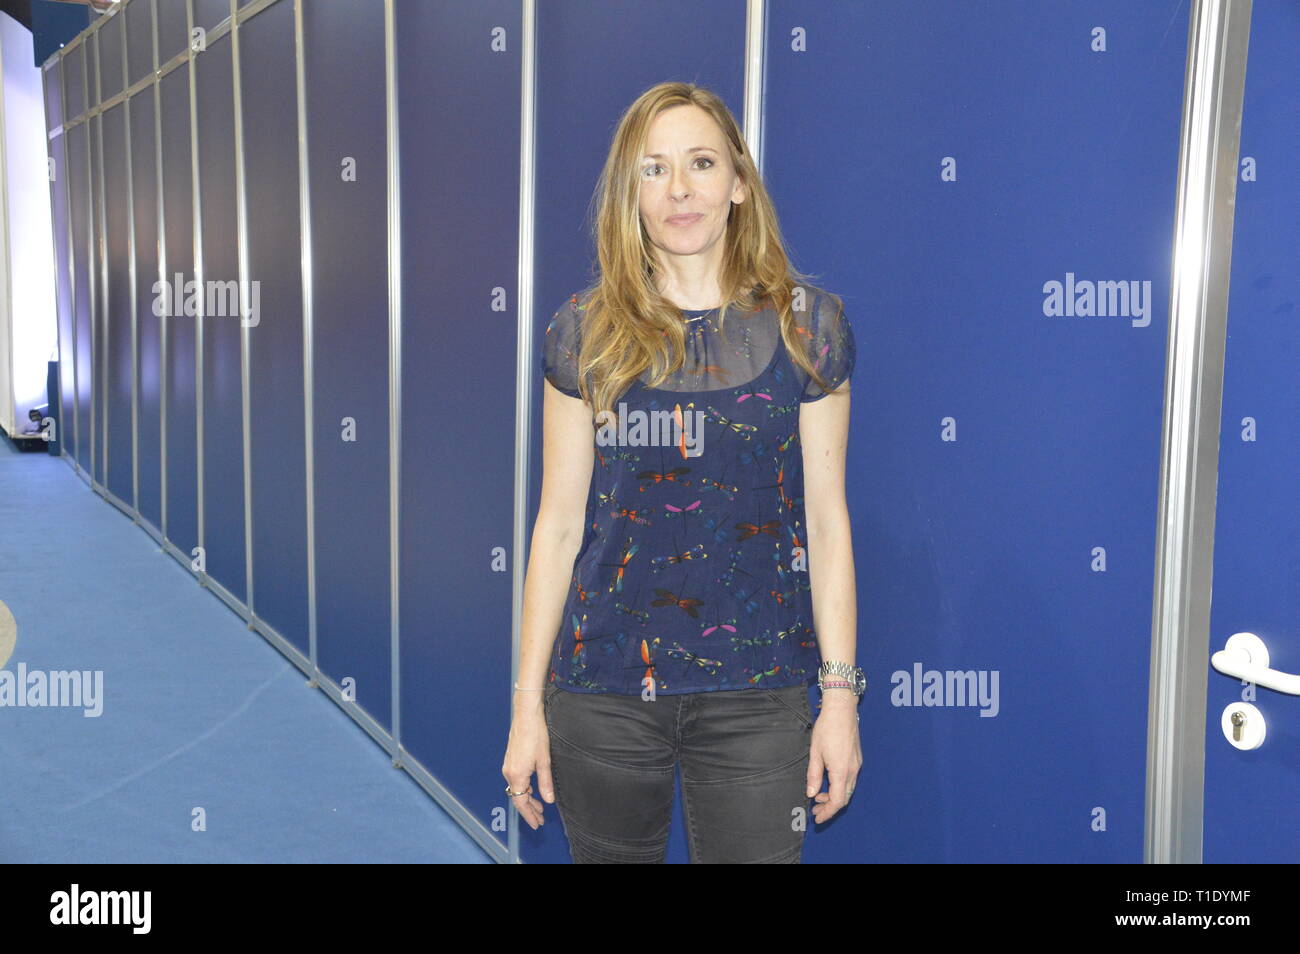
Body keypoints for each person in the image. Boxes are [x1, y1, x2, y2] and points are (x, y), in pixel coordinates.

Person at [502, 81, 863, 863]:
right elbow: (559, 526)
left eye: (700, 163)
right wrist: (527, 706)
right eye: (653, 169)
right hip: (604, 694)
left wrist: (840, 699)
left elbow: (828, 524)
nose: (679, 190)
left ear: (738, 183)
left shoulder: (810, 330)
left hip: (759, 693)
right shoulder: (584, 334)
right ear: (629, 193)